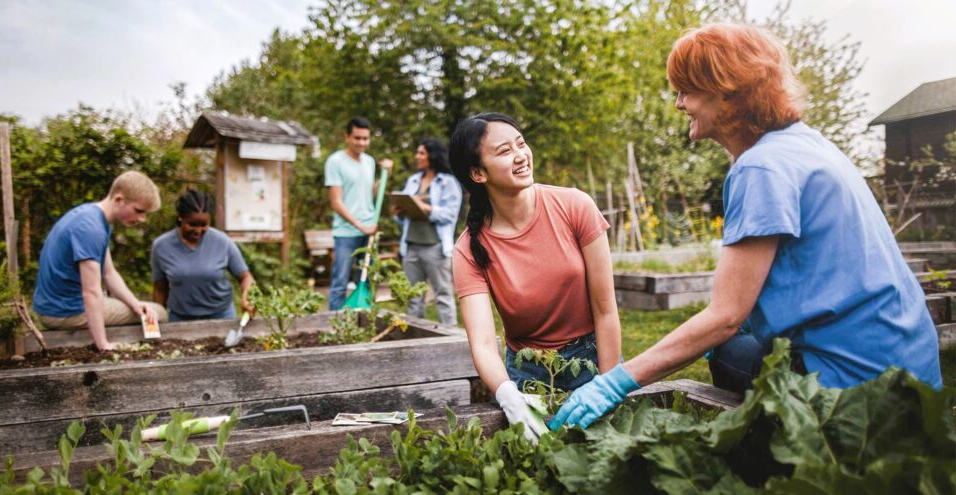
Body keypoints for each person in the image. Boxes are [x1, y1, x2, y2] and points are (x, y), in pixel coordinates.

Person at [550, 23, 943, 431]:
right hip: (911, 372)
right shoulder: (808, 144)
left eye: (686, 91)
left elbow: (725, 316)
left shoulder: (761, 168)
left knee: (725, 349)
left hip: (856, 390)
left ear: (726, 91)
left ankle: (783, 447)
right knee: (738, 343)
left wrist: (614, 383)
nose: (679, 104)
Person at [450, 113, 623, 442]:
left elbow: (606, 309)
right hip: (528, 374)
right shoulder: (468, 251)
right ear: (477, 173)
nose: (520, 155)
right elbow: (484, 344)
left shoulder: (574, 205)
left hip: (593, 358)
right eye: (504, 151)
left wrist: (609, 383)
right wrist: (508, 396)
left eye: (521, 143)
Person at [33, 171, 168, 351]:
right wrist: (103, 344)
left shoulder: (92, 217)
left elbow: (109, 273)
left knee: (144, 309)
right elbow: (91, 292)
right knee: (159, 312)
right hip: (64, 311)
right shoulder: (92, 229)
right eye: (138, 211)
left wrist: (136, 304)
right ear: (119, 200)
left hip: (54, 306)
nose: (142, 219)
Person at [151, 190, 255, 322]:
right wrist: (155, 322)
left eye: (204, 225)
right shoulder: (162, 246)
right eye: (192, 224)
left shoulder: (222, 241)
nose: (198, 230)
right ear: (180, 217)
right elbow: (160, 288)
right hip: (180, 318)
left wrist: (247, 296)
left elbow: (245, 277)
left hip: (222, 315)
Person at [392, 138, 463, 325]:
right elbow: (404, 213)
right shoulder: (413, 180)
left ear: (432, 156)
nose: (417, 156)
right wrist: (399, 211)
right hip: (410, 247)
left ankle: (450, 338)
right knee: (413, 297)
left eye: (421, 153)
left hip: (436, 248)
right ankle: (416, 339)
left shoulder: (448, 183)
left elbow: (450, 214)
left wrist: (426, 208)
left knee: (443, 294)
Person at [325, 117, 393, 310]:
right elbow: (336, 202)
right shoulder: (335, 161)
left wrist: (386, 175)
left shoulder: (369, 162)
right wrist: (360, 225)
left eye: (365, 138)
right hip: (346, 233)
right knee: (340, 282)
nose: (362, 143)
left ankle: (363, 320)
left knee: (368, 279)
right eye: (357, 138)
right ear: (347, 137)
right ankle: (334, 325)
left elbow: (371, 194)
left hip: (369, 231)